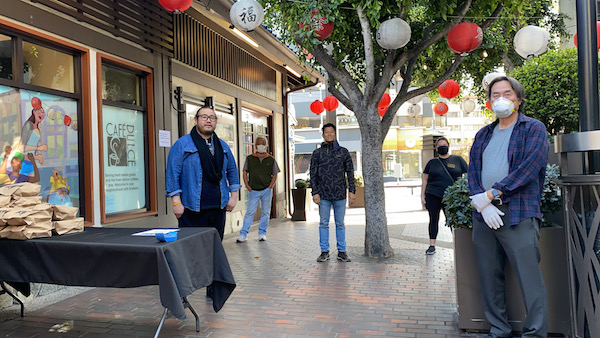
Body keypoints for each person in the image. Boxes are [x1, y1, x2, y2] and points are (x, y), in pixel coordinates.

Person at [468, 76, 548, 337]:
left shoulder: (533, 129)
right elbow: (473, 173)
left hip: (519, 212)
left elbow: (528, 168)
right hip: (485, 216)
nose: (501, 99)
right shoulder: (483, 135)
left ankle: (535, 333)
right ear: (489, 101)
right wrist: (482, 203)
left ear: (519, 98)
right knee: (489, 278)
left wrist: (492, 194)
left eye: (507, 94)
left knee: (529, 278)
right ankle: (498, 330)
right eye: (495, 95)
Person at [165, 106, 241, 241]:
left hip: (218, 207)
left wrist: (233, 197)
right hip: (191, 208)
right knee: (192, 249)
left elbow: (232, 171)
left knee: (215, 247)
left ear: (216, 122)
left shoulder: (222, 146)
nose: (208, 121)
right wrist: (176, 202)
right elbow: (172, 173)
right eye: (204, 117)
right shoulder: (182, 144)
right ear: (195, 120)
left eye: (212, 118)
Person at [310, 123, 355, 262]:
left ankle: (342, 251)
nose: (329, 134)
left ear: (335, 134)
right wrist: (315, 192)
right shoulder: (317, 153)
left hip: (340, 193)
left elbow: (350, 172)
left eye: (331, 132)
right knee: (323, 223)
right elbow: (313, 174)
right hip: (323, 194)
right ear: (323, 135)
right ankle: (324, 251)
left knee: (340, 223)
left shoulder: (343, 152)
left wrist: (352, 191)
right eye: (326, 132)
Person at [421, 137, 467, 255]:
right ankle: (432, 245)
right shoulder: (432, 163)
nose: (442, 147)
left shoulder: (458, 160)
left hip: (452, 197)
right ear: (436, 148)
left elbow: (469, 175)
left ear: (448, 146)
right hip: (433, 195)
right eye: (440, 145)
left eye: (444, 145)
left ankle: (459, 245)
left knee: (453, 221)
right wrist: (422, 196)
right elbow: (425, 180)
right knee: (433, 219)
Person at [236, 137, 280, 243]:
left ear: (266, 146)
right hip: (254, 190)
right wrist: (247, 185)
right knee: (250, 212)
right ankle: (243, 234)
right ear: (255, 146)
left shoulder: (271, 159)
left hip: (266, 190)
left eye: (263, 144)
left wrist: (271, 186)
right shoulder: (250, 158)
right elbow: (244, 172)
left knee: (265, 212)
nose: (261, 146)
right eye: (259, 144)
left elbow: (275, 174)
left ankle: (262, 233)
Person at [20, 107, 48, 175]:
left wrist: (38, 156)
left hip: (31, 163)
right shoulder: (28, 125)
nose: (42, 114)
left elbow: (32, 151)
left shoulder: (38, 128)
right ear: (34, 111)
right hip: (24, 164)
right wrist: (38, 148)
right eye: (40, 112)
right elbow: (22, 147)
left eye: (43, 112)